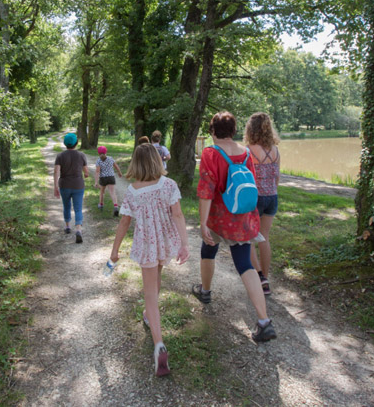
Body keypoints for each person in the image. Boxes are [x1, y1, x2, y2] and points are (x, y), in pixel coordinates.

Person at [192, 111, 277, 343]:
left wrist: (203, 222)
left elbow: (206, 190)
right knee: (245, 264)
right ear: (233, 131)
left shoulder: (210, 153)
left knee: (208, 251)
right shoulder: (245, 152)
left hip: (218, 218)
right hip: (241, 218)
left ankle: (205, 291)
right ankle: (264, 321)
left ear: (212, 131)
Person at [110, 143, 189, 376]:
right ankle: (148, 315)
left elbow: (124, 222)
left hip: (147, 245)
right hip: (165, 241)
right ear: (157, 160)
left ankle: (158, 344)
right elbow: (178, 214)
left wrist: (115, 250)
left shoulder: (133, 191)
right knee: (156, 279)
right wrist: (184, 244)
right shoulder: (169, 184)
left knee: (150, 294)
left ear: (136, 163)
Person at [245, 112, 281, 296]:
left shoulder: (248, 151)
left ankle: (259, 276)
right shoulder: (275, 151)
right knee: (264, 237)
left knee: (250, 237)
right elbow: (277, 178)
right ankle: (265, 277)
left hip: (255, 198)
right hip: (272, 197)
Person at [53, 132, 89, 243]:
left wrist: (55, 186)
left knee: (66, 206)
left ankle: (68, 226)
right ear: (76, 143)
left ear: (65, 144)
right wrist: (85, 174)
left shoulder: (60, 156)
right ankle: (78, 229)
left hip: (64, 185)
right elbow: (86, 172)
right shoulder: (81, 155)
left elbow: (56, 172)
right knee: (78, 208)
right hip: (78, 185)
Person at [95, 146, 124, 217]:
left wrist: (96, 182)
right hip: (111, 177)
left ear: (98, 153)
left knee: (102, 192)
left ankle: (101, 204)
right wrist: (119, 172)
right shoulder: (110, 158)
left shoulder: (98, 161)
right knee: (112, 192)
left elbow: (97, 171)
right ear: (106, 152)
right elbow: (116, 166)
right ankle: (116, 206)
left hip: (103, 178)